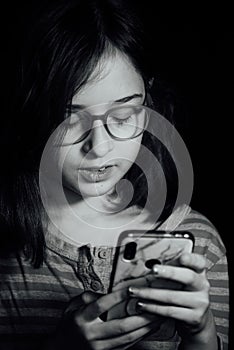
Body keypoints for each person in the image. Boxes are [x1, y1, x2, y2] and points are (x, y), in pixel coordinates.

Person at [0, 0, 229, 349]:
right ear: (33, 114)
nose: (100, 146)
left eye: (123, 115)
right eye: (70, 119)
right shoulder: (6, 249)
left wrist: (201, 334)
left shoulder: (198, 241)